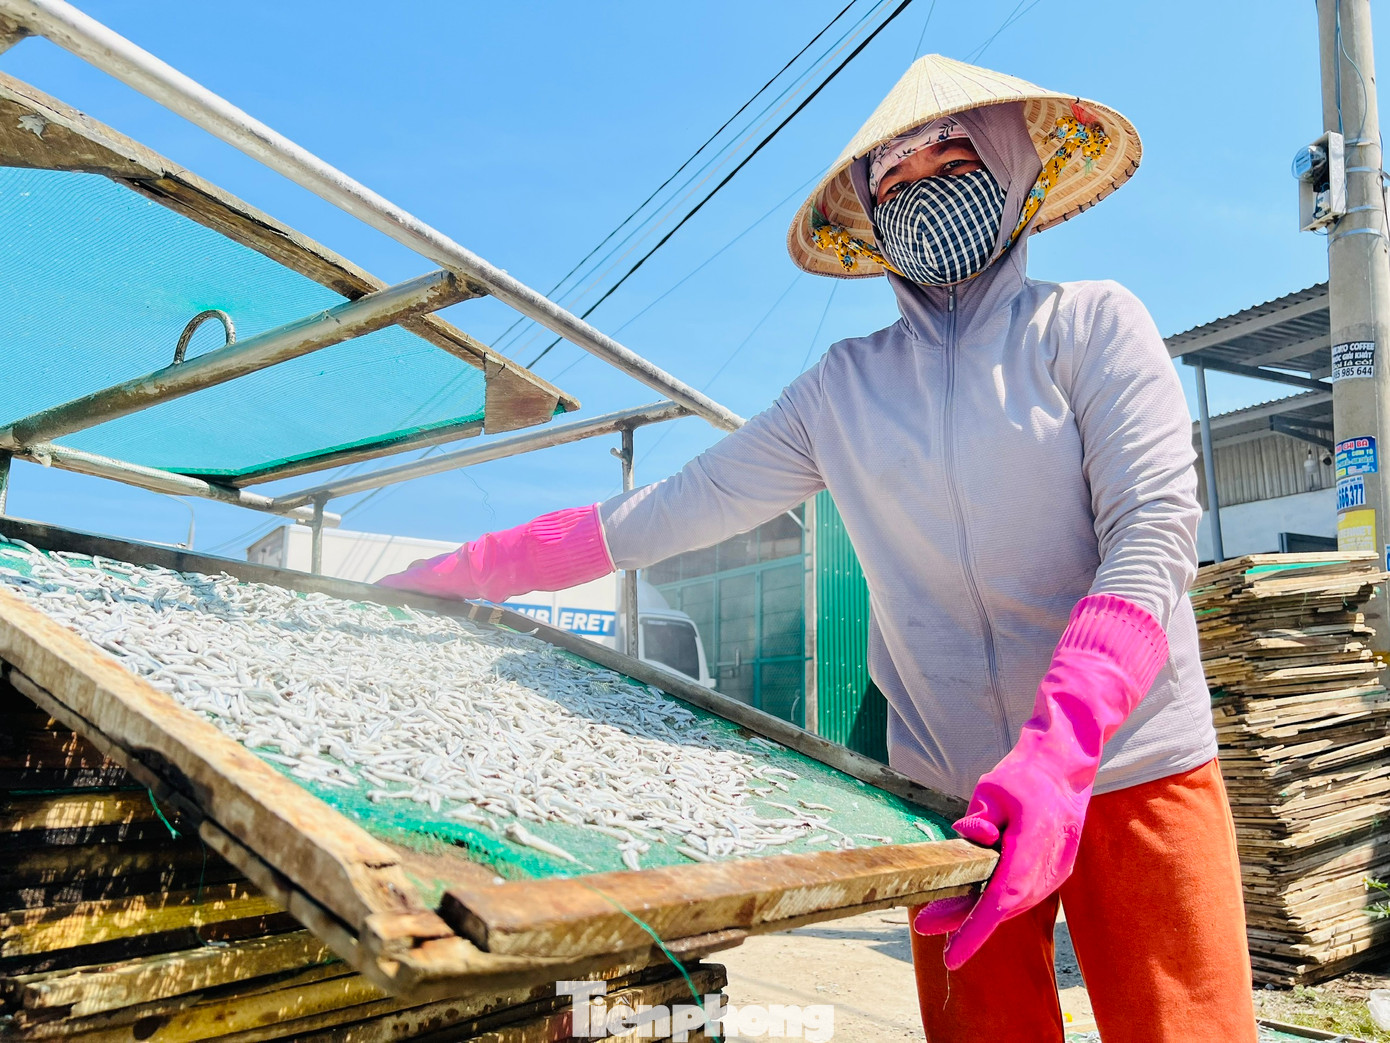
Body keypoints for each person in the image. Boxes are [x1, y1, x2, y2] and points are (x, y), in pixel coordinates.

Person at [380, 55, 1257, 1042]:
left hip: (1136, 766)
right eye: (894, 178)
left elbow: (1152, 535)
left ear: (1013, 165)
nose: (922, 186)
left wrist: (1062, 748)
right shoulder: (841, 391)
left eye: (951, 157)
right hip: (953, 799)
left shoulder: (1091, 326)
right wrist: (463, 571)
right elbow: (668, 510)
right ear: (871, 219)